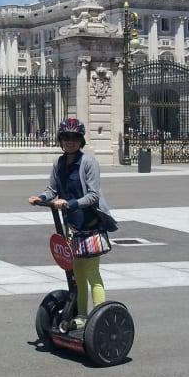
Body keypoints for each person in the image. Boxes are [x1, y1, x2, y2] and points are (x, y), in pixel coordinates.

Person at [28, 118, 118, 329]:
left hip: (90, 225)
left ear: (81, 141)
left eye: (75, 138)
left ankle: (100, 318)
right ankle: (83, 317)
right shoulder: (58, 163)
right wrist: (41, 198)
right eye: (66, 138)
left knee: (92, 273)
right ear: (60, 140)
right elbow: (52, 189)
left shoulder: (88, 163)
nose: (70, 142)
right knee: (77, 274)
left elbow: (94, 196)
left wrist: (70, 203)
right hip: (72, 228)